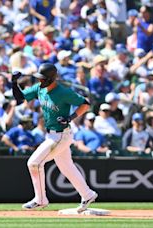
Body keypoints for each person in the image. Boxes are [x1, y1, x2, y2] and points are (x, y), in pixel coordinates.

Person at [12, 63, 97, 212]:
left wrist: (71, 117)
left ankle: (40, 199)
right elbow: (20, 98)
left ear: (51, 79)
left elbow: (85, 103)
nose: (40, 81)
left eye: (43, 78)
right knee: (67, 167)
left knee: (34, 163)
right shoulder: (40, 88)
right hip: (51, 134)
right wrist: (14, 83)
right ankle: (87, 194)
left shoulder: (62, 92)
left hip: (61, 135)